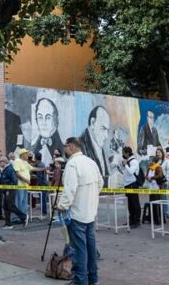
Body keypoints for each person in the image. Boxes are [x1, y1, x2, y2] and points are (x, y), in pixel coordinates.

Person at [56, 137, 103, 285]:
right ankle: (92, 278)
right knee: (90, 247)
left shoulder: (72, 164)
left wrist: (61, 206)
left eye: (65, 147)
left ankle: (80, 280)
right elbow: (100, 183)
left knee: (79, 250)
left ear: (70, 147)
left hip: (76, 214)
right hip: (89, 212)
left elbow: (70, 189)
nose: (64, 150)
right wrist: (90, 197)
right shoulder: (91, 162)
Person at [79, 106, 112, 184]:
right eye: (103, 128)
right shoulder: (81, 146)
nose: (106, 136)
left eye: (107, 130)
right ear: (93, 123)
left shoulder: (98, 144)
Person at [31, 98, 65, 165]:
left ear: (56, 121)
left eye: (48, 117)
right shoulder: (32, 148)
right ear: (36, 120)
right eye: (40, 117)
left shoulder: (64, 149)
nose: (43, 123)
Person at [0, 156, 26, 229]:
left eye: (0, 162)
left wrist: (8, 189)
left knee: (10, 206)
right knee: (6, 207)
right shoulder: (5, 169)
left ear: (4, 162)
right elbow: (2, 180)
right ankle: (8, 224)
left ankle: (24, 217)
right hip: (6, 190)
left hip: (9, 190)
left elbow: (14, 181)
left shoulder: (9, 169)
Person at [120, 146, 141, 228]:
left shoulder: (134, 161)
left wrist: (125, 165)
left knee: (135, 203)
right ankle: (131, 220)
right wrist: (123, 165)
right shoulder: (128, 161)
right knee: (130, 204)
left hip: (133, 184)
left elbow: (131, 171)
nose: (122, 154)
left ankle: (137, 221)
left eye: (123, 153)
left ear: (127, 153)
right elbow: (125, 172)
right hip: (127, 185)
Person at [12, 148, 33, 221]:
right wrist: (26, 180)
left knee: (24, 202)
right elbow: (17, 173)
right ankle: (16, 218)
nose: (28, 155)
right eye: (26, 153)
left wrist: (44, 168)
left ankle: (23, 217)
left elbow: (33, 169)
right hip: (20, 185)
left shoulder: (25, 162)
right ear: (22, 155)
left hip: (25, 185)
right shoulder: (17, 161)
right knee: (18, 202)